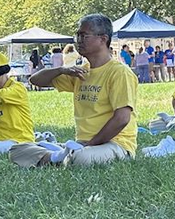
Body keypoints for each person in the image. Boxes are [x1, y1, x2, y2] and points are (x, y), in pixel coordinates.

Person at [11, 14, 138, 167]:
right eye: (77, 35)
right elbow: (36, 80)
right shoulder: (80, 71)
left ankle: (60, 156)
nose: (78, 40)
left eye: (84, 36)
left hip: (115, 144)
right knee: (17, 150)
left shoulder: (119, 73)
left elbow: (122, 119)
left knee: (80, 158)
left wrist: (90, 144)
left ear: (103, 39)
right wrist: (61, 70)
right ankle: (61, 156)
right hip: (82, 144)